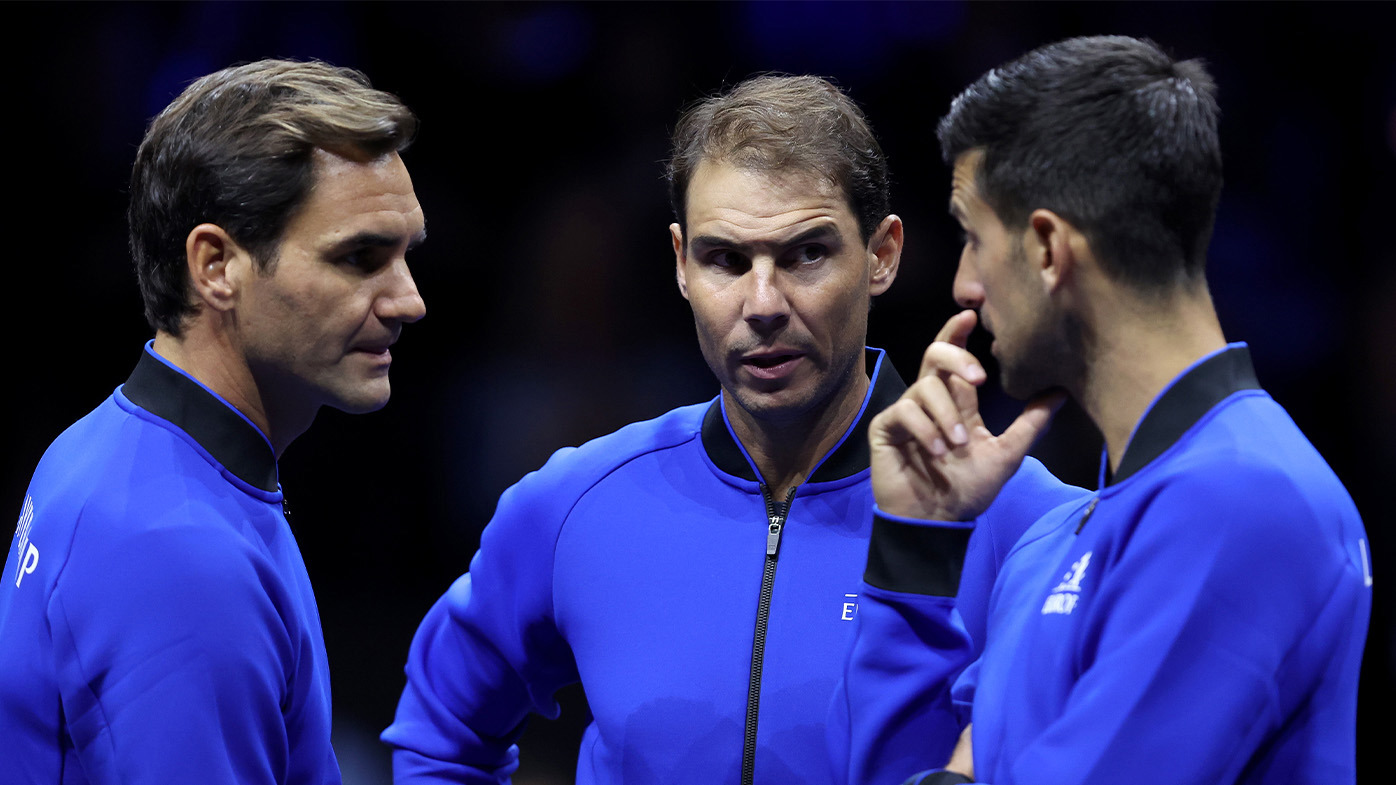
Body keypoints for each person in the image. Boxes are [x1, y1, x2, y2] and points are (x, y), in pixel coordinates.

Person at [383, 75, 1080, 785]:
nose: (764, 303)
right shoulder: (574, 504)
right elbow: (440, 731)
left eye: (807, 253)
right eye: (727, 259)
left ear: (882, 254)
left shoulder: (1031, 524)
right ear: (681, 263)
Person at [849, 36, 1372, 784]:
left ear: (1048, 249)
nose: (963, 284)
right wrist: (915, 544)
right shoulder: (1053, 540)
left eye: (973, 236)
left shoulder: (1245, 498)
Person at [0, 60, 426, 784]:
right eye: (360, 258)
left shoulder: (105, 446)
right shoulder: (182, 557)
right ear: (216, 265)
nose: (408, 301)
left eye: (405, 255)